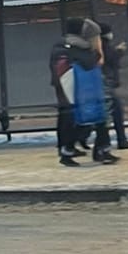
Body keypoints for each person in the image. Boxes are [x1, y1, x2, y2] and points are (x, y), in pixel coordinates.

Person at [51, 19, 119, 166]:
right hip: (76, 92)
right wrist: (97, 48)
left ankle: (100, 150)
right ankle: (68, 152)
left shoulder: (64, 46)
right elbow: (91, 62)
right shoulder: (72, 47)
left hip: (83, 90)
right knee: (80, 122)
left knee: (98, 119)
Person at [98, 22, 128, 149]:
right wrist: (119, 51)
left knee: (113, 112)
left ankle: (117, 140)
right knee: (114, 112)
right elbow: (110, 58)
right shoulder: (102, 45)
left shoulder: (100, 44)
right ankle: (117, 141)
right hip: (106, 84)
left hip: (106, 83)